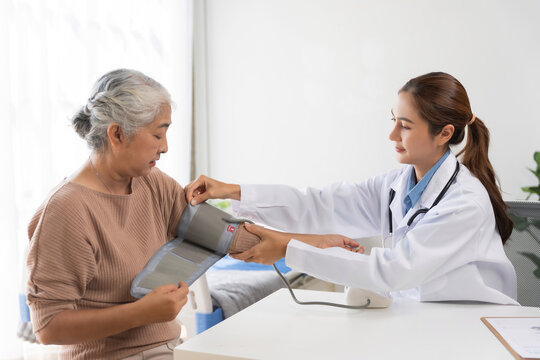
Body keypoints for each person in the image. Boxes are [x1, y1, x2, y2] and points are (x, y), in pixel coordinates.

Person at [185, 72, 518, 305]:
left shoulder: (463, 204)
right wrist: (233, 191)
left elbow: (392, 272)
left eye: (405, 126)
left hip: (471, 328)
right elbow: (319, 204)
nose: (392, 136)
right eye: (393, 121)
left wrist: (288, 248)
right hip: (422, 317)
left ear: (444, 134)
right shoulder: (395, 185)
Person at [26, 69, 190, 359]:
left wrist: (238, 196)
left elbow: (213, 230)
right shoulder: (66, 210)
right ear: (116, 134)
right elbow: (48, 327)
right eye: (157, 134)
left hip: (170, 348)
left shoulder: (150, 181)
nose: (165, 147)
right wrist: (140, 313)